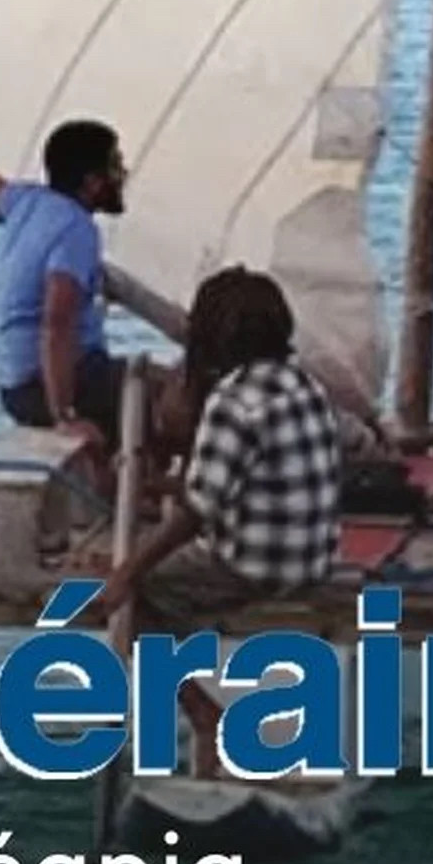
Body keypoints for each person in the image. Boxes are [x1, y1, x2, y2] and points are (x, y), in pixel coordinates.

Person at [97, 268, 360, 772]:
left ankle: (205, 717)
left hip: (255, 567)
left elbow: (197, 511)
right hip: (314, 557)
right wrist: (160, 487)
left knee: (139, 601)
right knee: (152, 572)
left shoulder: (233, 401)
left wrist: (127, 572)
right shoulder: (304, 384)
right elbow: (243, 480)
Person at [0, 116, 128, 443]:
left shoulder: (28, 201)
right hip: (46, 385)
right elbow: (56, 324)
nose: (124, 174)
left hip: (13, 387)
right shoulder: (77, 230)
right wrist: (64, 416)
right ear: (92, 182)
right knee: (171, 396)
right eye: (115, 166)